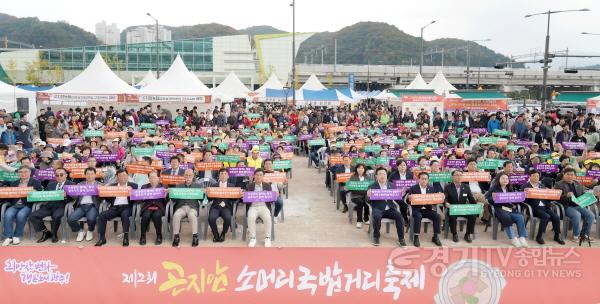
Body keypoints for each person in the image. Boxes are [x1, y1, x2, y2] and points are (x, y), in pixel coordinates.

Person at [29, 168, 75, 243]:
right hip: (49, 205)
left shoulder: (71, 184)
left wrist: (66, 196)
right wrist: (35, 193)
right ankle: (45, 232)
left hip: (62, 206)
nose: (59, 176)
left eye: (61, 175)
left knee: (56, 216)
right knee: (33, 216)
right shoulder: (51, 184)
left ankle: (54, 234)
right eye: (57, 175)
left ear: (66, 175)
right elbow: (45, 196)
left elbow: (74, 198)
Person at [1, 166, 43, 246]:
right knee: (7, 214)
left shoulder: (35, 182)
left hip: (27, 205)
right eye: (21, 172)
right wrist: (4, 193)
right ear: (18, 174)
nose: (23, 174)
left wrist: (35, 192)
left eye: (25, 172)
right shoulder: (14, 183)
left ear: (30, 173)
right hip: (15, 204)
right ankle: (8, 236)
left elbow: (40, 195)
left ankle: (17, 235)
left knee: (21, 215)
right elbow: (9, 196)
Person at [95, 169, 138, 247]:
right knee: (102, 215)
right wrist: (101, 193)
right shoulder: (112, 186)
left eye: (124, 175)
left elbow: (137, 199)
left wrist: (132, 195)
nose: (122, 177)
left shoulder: (133, 186)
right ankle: (102, 238)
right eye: (120, 176)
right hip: (115, 208)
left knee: (124, 215)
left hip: (127, 207)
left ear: (127, 176)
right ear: (117, 177)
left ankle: (125, 237)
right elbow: (107, 199)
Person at [485, 172, 528, 247]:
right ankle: (513, 238)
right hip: (498, 208)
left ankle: (522, 237)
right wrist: (495, 199)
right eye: (503, 178)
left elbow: (515, 199)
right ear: (498, 179)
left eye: (506, 178)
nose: (505, 180)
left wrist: (522, 197)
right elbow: (487, 198)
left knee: (520, 217)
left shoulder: (510, 188)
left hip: (508, 208)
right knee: (506, 217)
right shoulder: (494, 188)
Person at [522, 169, 564, 245]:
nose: (536, 177)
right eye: (534, 176)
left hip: (545, 206)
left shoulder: (542, 185)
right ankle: (539, 236)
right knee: (546, 216)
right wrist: (525, 194)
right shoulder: (525, 186)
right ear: (530, 176)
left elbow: (547, 197)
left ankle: (557, 236)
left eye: (537, 176)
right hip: (533, 208)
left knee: (556, 217)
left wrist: (550, 193)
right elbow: (523, 199)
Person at [553, 168, 595, 244]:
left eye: (572, 175)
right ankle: (576, 235)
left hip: (578, 205)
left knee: (591, 215)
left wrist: (589, 195)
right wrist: (566, 195)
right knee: (577, 215)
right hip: (566, 206)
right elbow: (555, 197)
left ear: (575, 176)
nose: (570, 176)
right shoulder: (558, 184)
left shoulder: (578, 183)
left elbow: (583, 193)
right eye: (567, 174)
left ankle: (585, 234)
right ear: (564, 175)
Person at [366, 167, 406, 247]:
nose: (382, 176)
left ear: (386, 175)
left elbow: (396, 197)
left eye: (384, 174)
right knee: (377, 217)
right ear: (376, 176)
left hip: (390, 208)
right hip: (377, 208)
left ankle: (401, 238)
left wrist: (401, 195)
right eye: (380, 174)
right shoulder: (372, 186)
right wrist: (368, 196)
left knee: (399, 217)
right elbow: (367, 201)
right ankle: (376, 236)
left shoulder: (392, 185)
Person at [406, 172, 443, 247]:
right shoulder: (413, 188)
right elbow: (408, 202)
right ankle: (416, 236)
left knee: (437, 216)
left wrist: (438, 198)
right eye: (422, 179)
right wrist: (409, 199)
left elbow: (434, 201)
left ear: (428, 180)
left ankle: (435, 236)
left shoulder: (431, 188)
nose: (424, 180)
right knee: (418, 216)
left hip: (428, 209)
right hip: (417, 209)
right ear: (418, 179)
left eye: (426, 179)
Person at [67, 167, 101, 242]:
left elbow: (103, 198)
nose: (89, 176)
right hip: (81, 206)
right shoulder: (80, 184)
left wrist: (100, 192)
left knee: (91, 219)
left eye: (92, 174)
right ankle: (80, 231)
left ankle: (90, 230)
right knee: (70, 219)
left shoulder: (100, 185)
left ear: (95, 175)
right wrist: (68, 193)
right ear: (85, 175)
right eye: (88, 174)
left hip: (92, 206)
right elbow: (75, 197)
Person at [443, 170, 476, 243]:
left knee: (473, 215)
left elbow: (471, 199)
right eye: (457, 175)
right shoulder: (448, 187)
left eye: (460, 175)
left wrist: (477, 205)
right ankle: (454, 233)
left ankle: (467, 234)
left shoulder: (466, 186)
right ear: (452, 177)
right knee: (452, 215)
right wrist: (446, 203)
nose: (459, 176)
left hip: (462, 208)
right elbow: (445, 198)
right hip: (452, 208)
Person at [172, 169, 202, 247]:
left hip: (192, 207)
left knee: (192, 215)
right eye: (186, 175)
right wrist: (171, 193)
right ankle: (176, 236)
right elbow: (174, 199)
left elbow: (202, 200)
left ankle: (195, 236)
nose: (188, 177)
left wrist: (204, 194)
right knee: (176, 215)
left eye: (190, 175)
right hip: (181, 206)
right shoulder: (178, 186)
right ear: (184, 176)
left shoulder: (198, 186)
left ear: (193, 176)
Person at [245, 169, 273, 247]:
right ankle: (253, 238)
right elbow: (246, 200)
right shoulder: (249, 186)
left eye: (260, 175)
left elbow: (271, 199)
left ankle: (267, 238)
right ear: (254, 176)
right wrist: (244, 196)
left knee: (267, 217)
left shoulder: (267, 186)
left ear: (263, 176)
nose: (259, 177)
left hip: (264, 206)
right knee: (250, 217)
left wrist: (273, 196)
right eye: (257, 175)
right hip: (253, 207)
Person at [208, 168, 236, 242]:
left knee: (227, 218)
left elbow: (234, 200)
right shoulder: (214, 185)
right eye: (221, 174)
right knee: (211, 218)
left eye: (225, 174)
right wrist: (207, 194)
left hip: (226, 207)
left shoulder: (232, 186)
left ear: (228, 176)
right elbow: (210, 199)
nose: (223, 176)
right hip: (216, 207)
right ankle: (215, 234)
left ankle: (223, 233)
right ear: (219, 176)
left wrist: (238, 195)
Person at [139, 171, 167, 245]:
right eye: (151, 178)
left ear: (158, 178)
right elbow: (140, 200)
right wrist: (140, 196)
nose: (153, 179)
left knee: (156, 215)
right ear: (148, 179)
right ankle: (142, 236)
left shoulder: (163, 186)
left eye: (154, 177)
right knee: (145, 216)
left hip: (159, 207)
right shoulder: (144, 187)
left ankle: (159, 235)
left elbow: (167, 201)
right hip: (148, 206)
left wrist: (166, 196)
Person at [348, 164, 370, 228]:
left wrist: (366, 192)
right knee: (360, 202)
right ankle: (359, 220)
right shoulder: (353, 177)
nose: (360, 169)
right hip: (355, 196)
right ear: (356, 169)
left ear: (364, 169)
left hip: (365, 195)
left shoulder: (367, 177)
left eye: (362, 168)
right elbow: (351, 188)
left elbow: (370, 187)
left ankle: (366, 218)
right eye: (359, 168)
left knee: (367, 201)